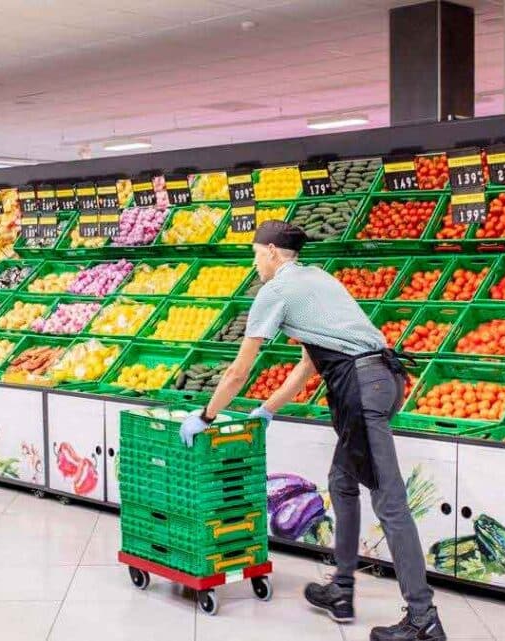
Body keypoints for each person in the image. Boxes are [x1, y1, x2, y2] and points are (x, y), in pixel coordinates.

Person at [179, 220, 446, 641]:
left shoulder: (277, 291)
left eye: (254, 255)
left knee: (390, 503)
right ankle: (342, 589)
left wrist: (208, 415)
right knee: (342, 481)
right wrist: (266, 410)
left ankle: (423, 618)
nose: (254, 264)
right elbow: (308, 364)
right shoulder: (317, 278)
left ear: (269, 251)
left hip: (361, 389)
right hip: (383, 380)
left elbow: (238, 370)